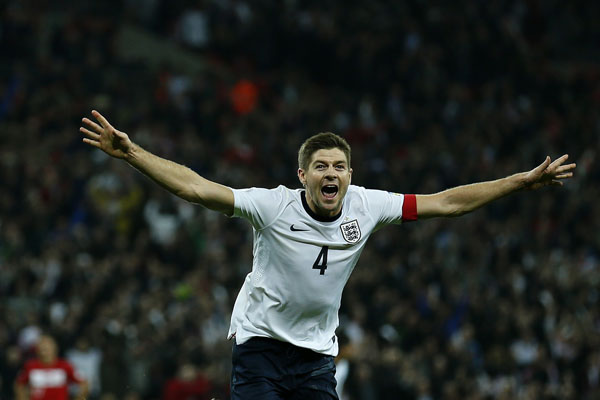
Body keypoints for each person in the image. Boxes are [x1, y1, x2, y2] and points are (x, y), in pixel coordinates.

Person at [80, 110, 576, 400]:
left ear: (350, 174)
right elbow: (196, 189)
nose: (331, 173)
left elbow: (447, 203)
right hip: (261, 346)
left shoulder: (368, 205)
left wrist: (520, 181)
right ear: (303, 175)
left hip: (316, 355)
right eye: (320, 166)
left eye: (339, 166)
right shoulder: (272, 206)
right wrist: (133, 153)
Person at [14, 335, 89, 400]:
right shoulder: (30, 366)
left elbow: (84, 383)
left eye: (47, 345)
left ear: (55, 347)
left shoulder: (65, 366)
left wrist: (79, 398)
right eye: (41, 345)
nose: (44, 348)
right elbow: (19, 385)